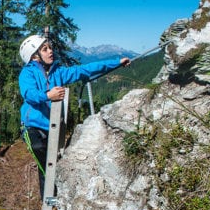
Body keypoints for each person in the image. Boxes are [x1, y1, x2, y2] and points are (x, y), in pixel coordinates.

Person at [19, 34, 131, 197]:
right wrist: (48, 95)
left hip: (50, 126)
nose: (51, 51)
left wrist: (116, 63)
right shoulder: (27, 73)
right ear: (35, 56)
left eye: (50, 47)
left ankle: (55, 198)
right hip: (32, 127)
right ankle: (48, 200)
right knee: (43, 163)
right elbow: (29, 94)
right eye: (45, 49)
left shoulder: (58, 73)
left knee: (52, 165)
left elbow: (85, 70)